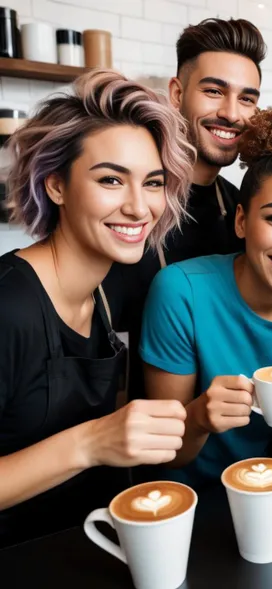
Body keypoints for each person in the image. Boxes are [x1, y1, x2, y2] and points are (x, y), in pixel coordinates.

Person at [0, 70, 194, 547]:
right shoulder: (10, 306)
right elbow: (84, 441)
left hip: (84, 545)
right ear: (56, 186)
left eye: (152, 183)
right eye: (111, 179)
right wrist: (90, 442)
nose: (138, 207)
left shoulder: (98, 295)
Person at [140, 106, 272, 487]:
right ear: (241, 220)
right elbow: (166, 456)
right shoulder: (179, 292)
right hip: (191, 502)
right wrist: (199, 417)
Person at [103, 17, 268, 400]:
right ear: (176, 93)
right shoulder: (129, 208)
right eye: (214, 91)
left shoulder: (242, 208)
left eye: (247, 98)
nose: (231, 113)